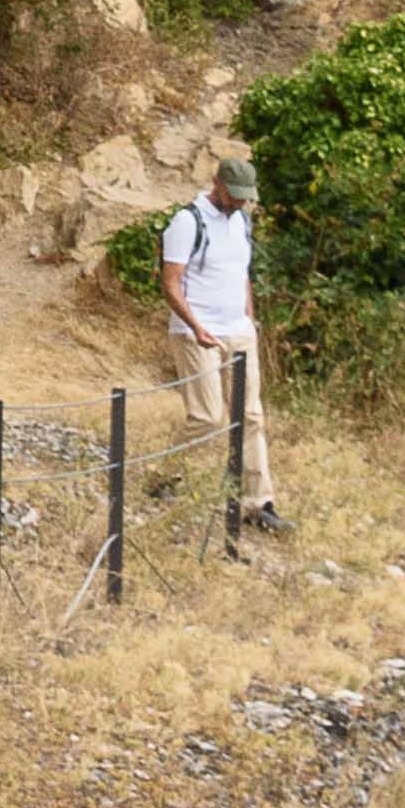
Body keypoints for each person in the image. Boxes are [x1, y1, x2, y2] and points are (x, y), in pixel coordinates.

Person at [160, 155, 280, 533]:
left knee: (251, 417)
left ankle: (259, 503)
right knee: (207, 416)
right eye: (236, 195)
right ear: (219, 185)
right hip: (197, 331)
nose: (242, 202)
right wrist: (195, 327)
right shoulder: (187, 222)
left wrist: (249, 318)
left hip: (238, 329)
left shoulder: (242, 220)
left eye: (247, 197)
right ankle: (167, 476)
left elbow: (241, 274)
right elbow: (171, 282)